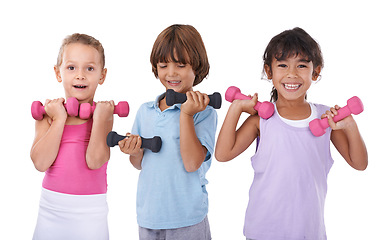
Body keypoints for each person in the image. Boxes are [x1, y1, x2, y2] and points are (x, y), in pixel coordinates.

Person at [215, 27, 368, 240]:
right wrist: (236, 109)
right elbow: (223, 154)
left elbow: (359, 163)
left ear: (315, 72)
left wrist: (350, 126)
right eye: (283, 65)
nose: (292, 74)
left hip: (309, 232)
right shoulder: (261, 120)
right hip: (262, 231)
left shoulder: (326, 118)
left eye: (302, 66)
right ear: (269, 72)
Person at [118, 24, 217, 240]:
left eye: (181, 65)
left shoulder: (204, 111)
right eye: (163, 65)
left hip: (187, 219)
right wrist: (134, 151)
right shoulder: (146, 111)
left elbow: (192, 164)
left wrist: (186, 114)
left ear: (196, 68)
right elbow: (140, 163)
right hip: (149, 216)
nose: (171, 73)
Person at [30, 33, 114, 240]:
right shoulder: (48, 113)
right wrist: (59, 120)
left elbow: (95, 161)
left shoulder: (104, 114)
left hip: (91, 212)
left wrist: (101, 120)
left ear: (102, 76)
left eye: (90, 68)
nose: (80, 75)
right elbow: (40, 163)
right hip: (52, 209)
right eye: (71, 67)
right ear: (58, 73)